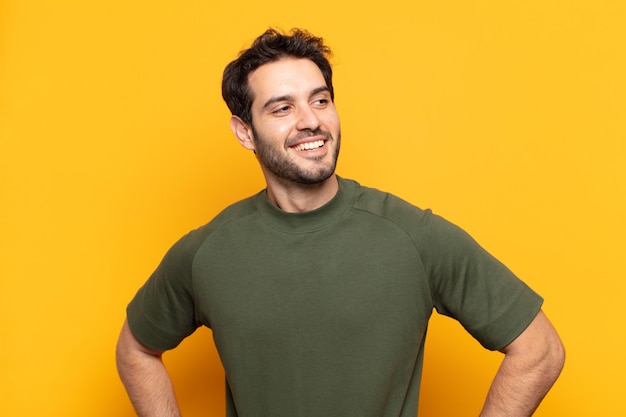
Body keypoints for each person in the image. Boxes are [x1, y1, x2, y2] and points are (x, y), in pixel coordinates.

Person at [116, 28, 565, 417]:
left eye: (321, 100)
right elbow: (135, 349)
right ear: (245, 132)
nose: (311, 121)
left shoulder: (413, 237)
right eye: (282, 108)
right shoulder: (207, 253)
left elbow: (539, 350)